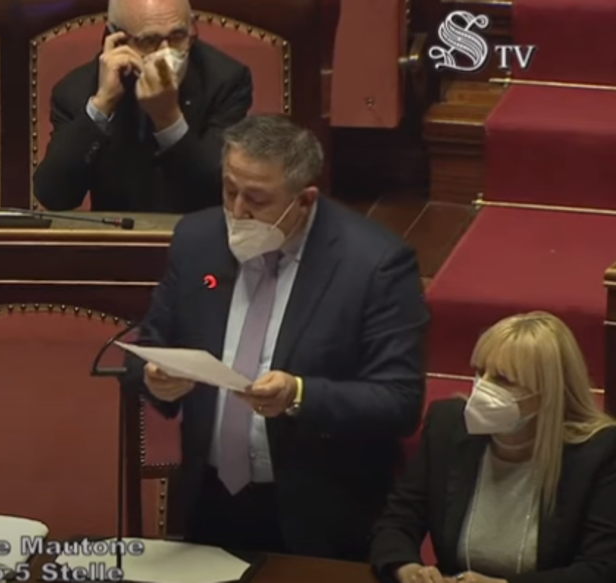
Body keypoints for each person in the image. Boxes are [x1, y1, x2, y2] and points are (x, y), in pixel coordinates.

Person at [123, 114, 428, 560]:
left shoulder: (375, 264)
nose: (237, 211)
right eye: (229, 190)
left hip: (320, 515)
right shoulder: (197, 240)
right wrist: (155, 378)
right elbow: (148, 347)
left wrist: (299, 394)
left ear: (304, 200)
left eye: (257, 199)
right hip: (210, 502)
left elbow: (399, 401)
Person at [371, 312, 616, 583]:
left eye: (503, 380)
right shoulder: (447, 426)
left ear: (547, 393)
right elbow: (397, 523)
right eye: (480, 371)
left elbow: (602, 568)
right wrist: (409, 570)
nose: (482, 387)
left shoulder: (599, 452)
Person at [32, 0, 252, 213]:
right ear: (116, 40)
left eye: (177, 36)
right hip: (115, 234)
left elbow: (221, 191)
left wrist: (169, 119)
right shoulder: (77, 90)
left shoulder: (226, 80)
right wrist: (103, 104)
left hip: (198, 230)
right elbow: (54, 196)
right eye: (149, 41)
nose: (166, 53)